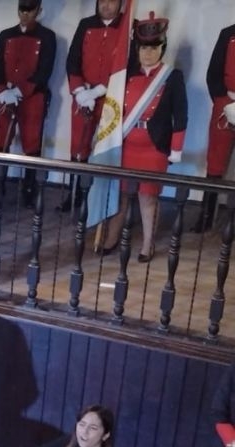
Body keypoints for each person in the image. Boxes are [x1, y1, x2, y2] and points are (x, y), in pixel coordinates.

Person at [97, 13, 187, 262]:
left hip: (154, 147)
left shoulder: (172, 77)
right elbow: (112, 110)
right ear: (137, 49)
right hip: (126, 145)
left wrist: (176, 148)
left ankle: (148, 245)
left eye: (154, 48)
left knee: (148, 198)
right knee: (121, 195)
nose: (148, 53)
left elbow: (181, 115)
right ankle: (111, 238)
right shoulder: (125, 75)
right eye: (144, 48)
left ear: (162, 49)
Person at [0, 0, 56, 208]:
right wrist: (2, 92)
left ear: (38, 11)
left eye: (30, 10)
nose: (25, 14)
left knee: (32, 144)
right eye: (22, 9)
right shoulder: (6, 35)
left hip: (32, 97)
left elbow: (44, 70)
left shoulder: (47, 36)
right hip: (6, 95)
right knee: (0, 141)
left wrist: (20, 91)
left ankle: (30, 189)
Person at [58, 0, 127, 213]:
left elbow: (128, 64)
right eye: (102, 0)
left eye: (112, 1)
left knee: (107, 147)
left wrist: (101, 90)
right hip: (84, 97)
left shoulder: (127, 26)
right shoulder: (86, 24)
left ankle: (100, 197)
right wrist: (80, 91)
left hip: (111, 98)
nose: (106, 5)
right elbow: (73, 60)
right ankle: (75, 193)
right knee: (79, 146)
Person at [193, 23, 235, 233]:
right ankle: (206, 216)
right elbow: (214, 74)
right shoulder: (228, 33)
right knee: (215, 163)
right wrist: (224, 101)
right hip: (226, 104)